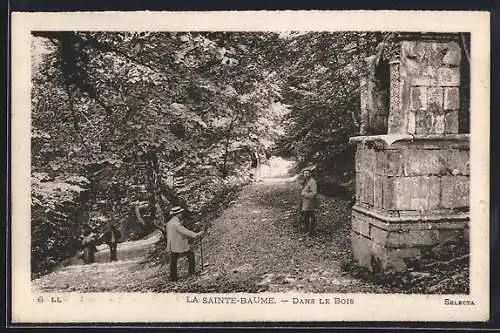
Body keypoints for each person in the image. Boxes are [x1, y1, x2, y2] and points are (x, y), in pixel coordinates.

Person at [166, 206, 204, 282]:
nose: (181, 214)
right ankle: (191, 272)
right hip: (178, 244)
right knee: (191, 255)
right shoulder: (176, 223)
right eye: (180, 213)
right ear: (177, 214)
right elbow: (184, 231)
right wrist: (195, 234)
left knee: (173, 260)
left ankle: (173, 277)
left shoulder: (169, 223)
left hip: (171, 244)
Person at [300, 169, 318, 235]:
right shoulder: (306, 181)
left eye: (307, 173)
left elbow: (314, 193)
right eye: (305, 173)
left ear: (310, 173)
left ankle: (311, 230)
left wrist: (304, 194)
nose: (306, 175)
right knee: (307, 215)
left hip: (310, 201)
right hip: (305, 201)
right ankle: (308, 229)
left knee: (309, 215)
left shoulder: (312, 181)